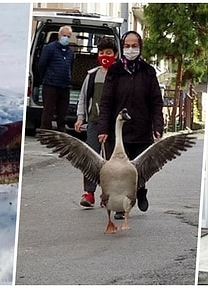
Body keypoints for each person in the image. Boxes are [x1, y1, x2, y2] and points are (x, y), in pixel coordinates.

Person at [97, 31, 164, 219]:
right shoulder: (115, 71)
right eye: (127, 45)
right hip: (118, 132)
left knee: (139, 169)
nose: (130, 49)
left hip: (142, 130)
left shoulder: (148, 72)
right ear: (122, 47)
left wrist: (157, 126)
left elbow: (156, 102)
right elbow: (106, 102)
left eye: (134, 46)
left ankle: (140, 191)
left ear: (140, 47)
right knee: (118, 172)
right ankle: (119, 207)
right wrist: (103, 128)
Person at [75, 37, 119, 207]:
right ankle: (89, 193)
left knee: (111, 161)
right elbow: (84, 97)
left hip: (113, 125)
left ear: (115, 55)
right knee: (91, 157)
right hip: (94, 122)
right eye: (101, 53)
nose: (104, 56)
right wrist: (80, 118)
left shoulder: (120, 75)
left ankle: (108, 194)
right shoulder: (92, 75)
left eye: (108, 53)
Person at [38, 25, 74, 132]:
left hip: (65, 86)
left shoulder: (70, 52)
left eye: (68, 36)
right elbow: (41, 65)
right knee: (48, 111)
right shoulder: (49, 48)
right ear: (59, 35)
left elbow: (70, 67)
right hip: (50, 85)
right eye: (64, 35)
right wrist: (47, 77)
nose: (66, 38)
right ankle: (45, 133)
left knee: (63, 112)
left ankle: (61, 132)